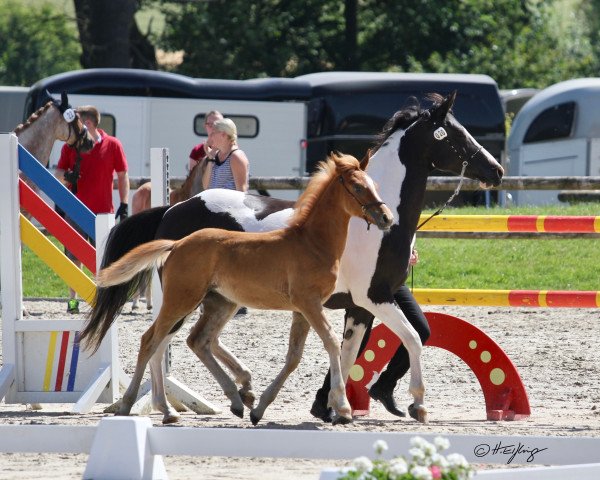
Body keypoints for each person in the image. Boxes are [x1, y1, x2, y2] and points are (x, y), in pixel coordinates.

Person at [55, 105, 130, 314]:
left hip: (103, 212)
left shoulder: (113, 145)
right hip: (75, 209)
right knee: (73, 256)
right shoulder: (70, 147)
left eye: (77, 123)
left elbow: (123, 175)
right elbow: (58, 172)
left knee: (105, 258)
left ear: (87, 124)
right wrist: (66, 176)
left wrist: (124, 202)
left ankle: (104, 299)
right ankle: (73, 300)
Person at [202, 118, 250, 192]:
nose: (210, 137)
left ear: (223, 134)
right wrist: (210, 159)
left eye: (213, 133)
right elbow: (205, 186)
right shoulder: (215, 155)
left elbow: (242, 192)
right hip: (213, 202)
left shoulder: (236, 156)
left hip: (229, 203)